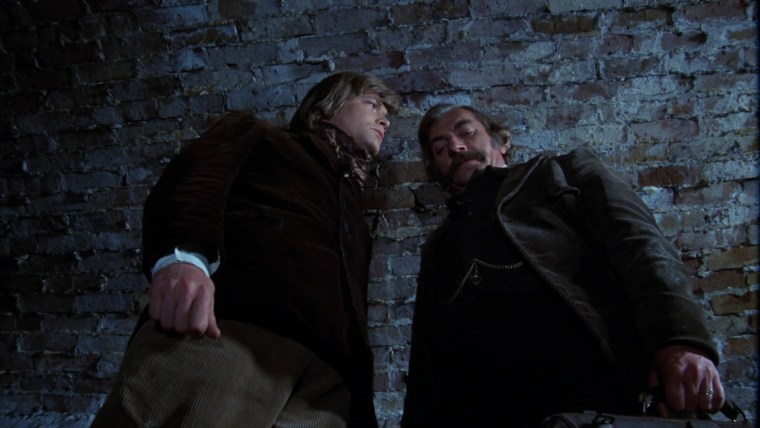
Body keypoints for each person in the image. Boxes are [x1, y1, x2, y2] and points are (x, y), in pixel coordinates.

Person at [92, 72, 400, 428]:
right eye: (372, 104)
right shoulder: (261, 135)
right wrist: (182, 260)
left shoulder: (352, 202)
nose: (384, 120)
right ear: (327, 106)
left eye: (386, 114)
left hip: (326, 384)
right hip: (227, 335)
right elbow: (196, 181)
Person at [401, 104, 725, 427]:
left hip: (584, 397)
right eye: (440, 148)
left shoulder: (562, 173)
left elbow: (640, 243)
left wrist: (679, 340)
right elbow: (424, 359)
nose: (455, 147)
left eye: (466, 132)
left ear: (501, 141)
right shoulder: (438, 244)